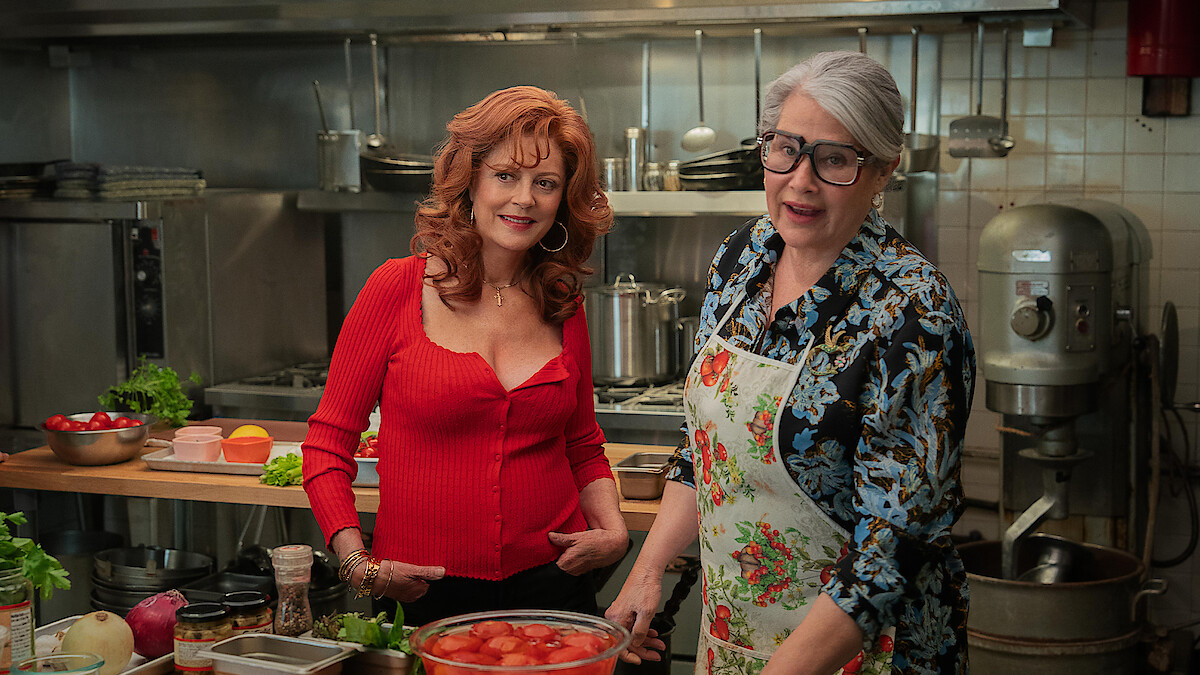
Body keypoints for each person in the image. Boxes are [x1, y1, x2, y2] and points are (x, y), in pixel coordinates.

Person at [606, 51, 975, 675]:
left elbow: (893, 546)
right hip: (736, 633)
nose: (800, 180)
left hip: (864, 651)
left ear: (883, 170)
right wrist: (647, 570)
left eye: (834, 160)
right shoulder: (742, 257)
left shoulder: (913, 312)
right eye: (785, 149)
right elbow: (704, 450)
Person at [302, 85, 628, 625]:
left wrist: (614, 530)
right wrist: (358, 564)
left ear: (562, 199)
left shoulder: (561, 301)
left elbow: (582, 444)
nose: (524, 198)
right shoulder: (396, 288)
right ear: (470, 180)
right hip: (418, 591)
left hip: (555, 586)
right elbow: (327, 446)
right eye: (506, 175)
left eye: (545, 183)